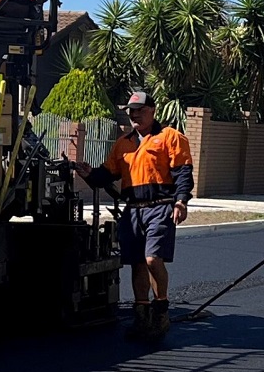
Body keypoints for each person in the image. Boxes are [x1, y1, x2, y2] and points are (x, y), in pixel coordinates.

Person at [75, 91, 194, 342]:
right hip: (133, 210)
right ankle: (142, 315)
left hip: (160, 206)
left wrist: (181, 201)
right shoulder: (123, 144)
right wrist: (89, 173)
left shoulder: (170, 137)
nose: (135, 115)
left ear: (153, 111)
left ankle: (161, 310)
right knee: (137, 262)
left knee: (152, 259)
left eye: (140, 110)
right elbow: (107, 175)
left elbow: (183, 172)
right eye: (131, 111)